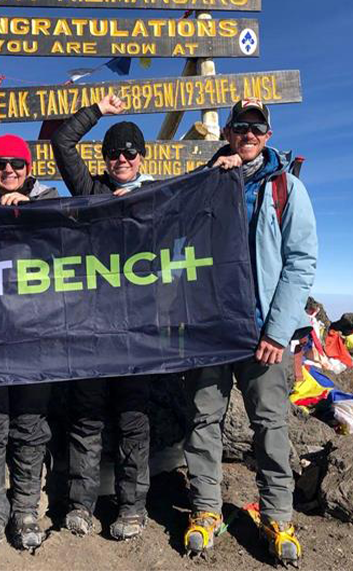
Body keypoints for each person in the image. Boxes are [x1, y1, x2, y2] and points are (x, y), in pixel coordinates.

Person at [182, 98, 317, 565]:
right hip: (212, 331)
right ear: (229, 133)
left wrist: (278, 331)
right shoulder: (207, 181)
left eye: (257, 128)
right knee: (203, 420)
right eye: (241, 126)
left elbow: (301, 262)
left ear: (268, 135)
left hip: (264, 334)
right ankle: (206, 508)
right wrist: (212, 174)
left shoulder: (286, 187)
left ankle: (277, 515)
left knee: (270, 425)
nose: (249, 134)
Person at [50, 93, 154, 540]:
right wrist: (97, 111)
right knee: (87, 418)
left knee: (133, 419)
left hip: (138, 330)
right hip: (91, 328)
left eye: (129, 152)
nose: (121, 159)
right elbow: (62, 142)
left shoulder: (158, 195)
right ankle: (80, 506)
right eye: (113, 153)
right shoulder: (89, 192)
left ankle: (132, 508)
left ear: (142, 156)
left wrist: (228, 158)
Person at [0, 134, 57, 554]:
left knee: (31, 424)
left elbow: (73, 242)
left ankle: (26, 511)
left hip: (37, 335)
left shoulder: (50, 203)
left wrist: (29, 213)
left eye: (17, 163)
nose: (8, 171)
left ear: (28, 167)